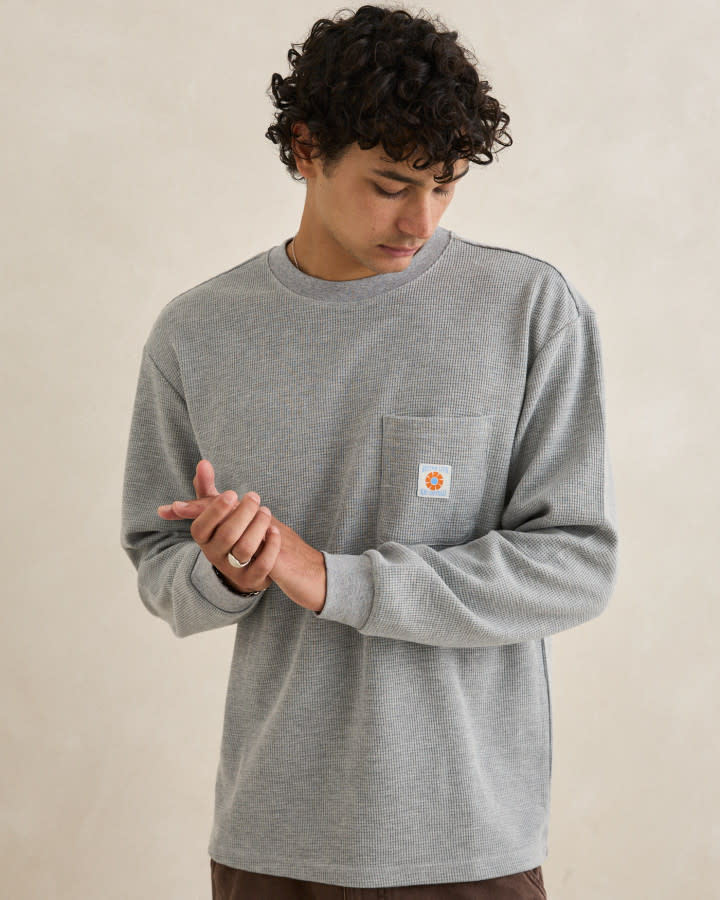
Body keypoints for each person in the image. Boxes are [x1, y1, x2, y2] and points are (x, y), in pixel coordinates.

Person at [121, 4, 619, 898]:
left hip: (468, 845)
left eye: (446, 185)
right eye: (391, 184)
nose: (420, 219)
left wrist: (334, 578)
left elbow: (576, 564)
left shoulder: (529, 311)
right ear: (307, 148)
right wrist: (226, 572)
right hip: (273, 839)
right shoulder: (199, 333)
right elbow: (159, 565)